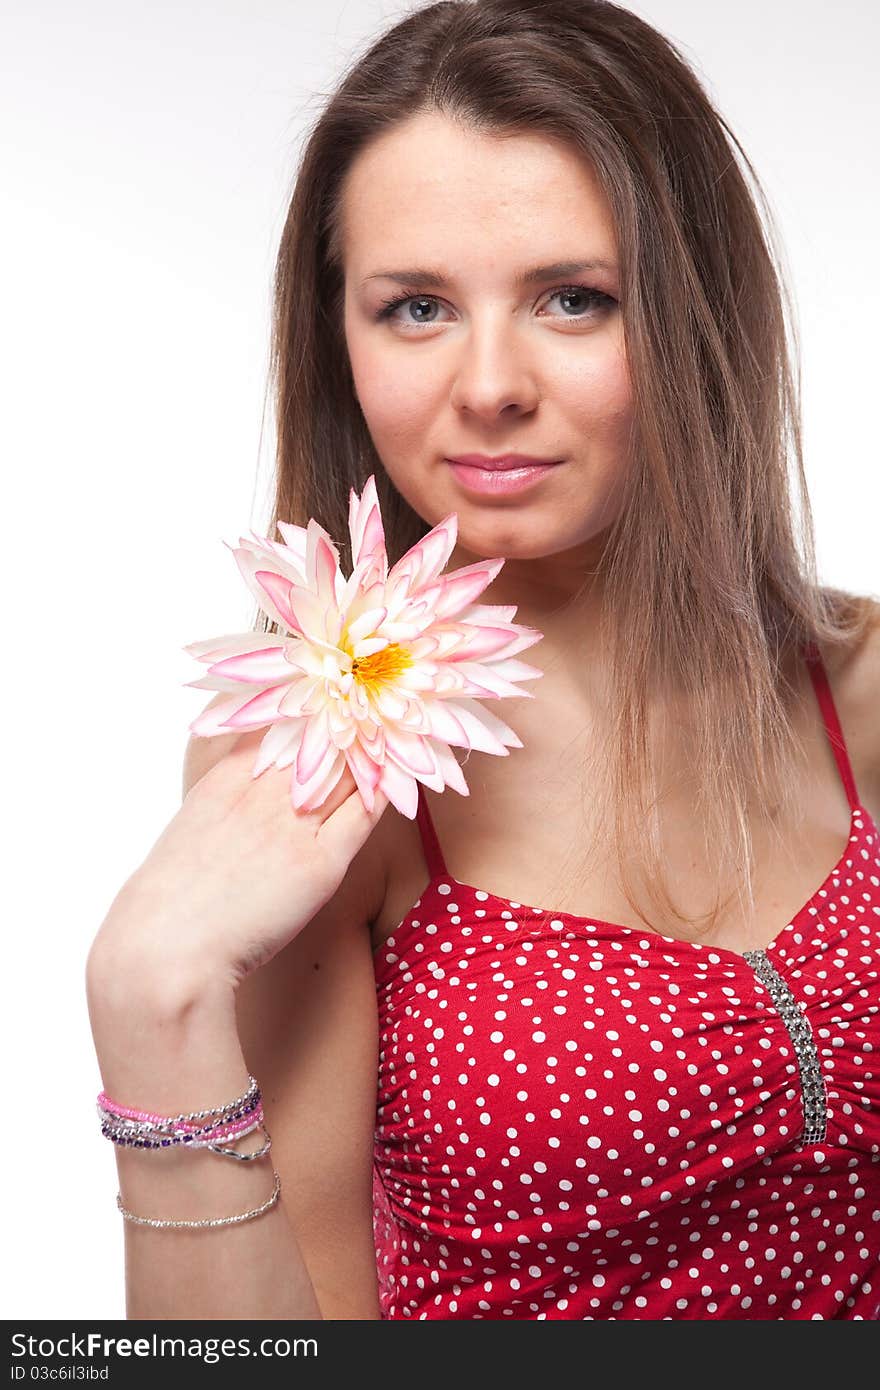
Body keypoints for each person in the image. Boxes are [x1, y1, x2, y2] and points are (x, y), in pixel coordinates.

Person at [85, 0, 880, 1321]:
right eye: (415, 308)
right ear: (339, 341)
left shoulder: (858, 683)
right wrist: (151, 999)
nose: (492, 382)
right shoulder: (330, 763)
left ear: (697, 315)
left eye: (575, 298)